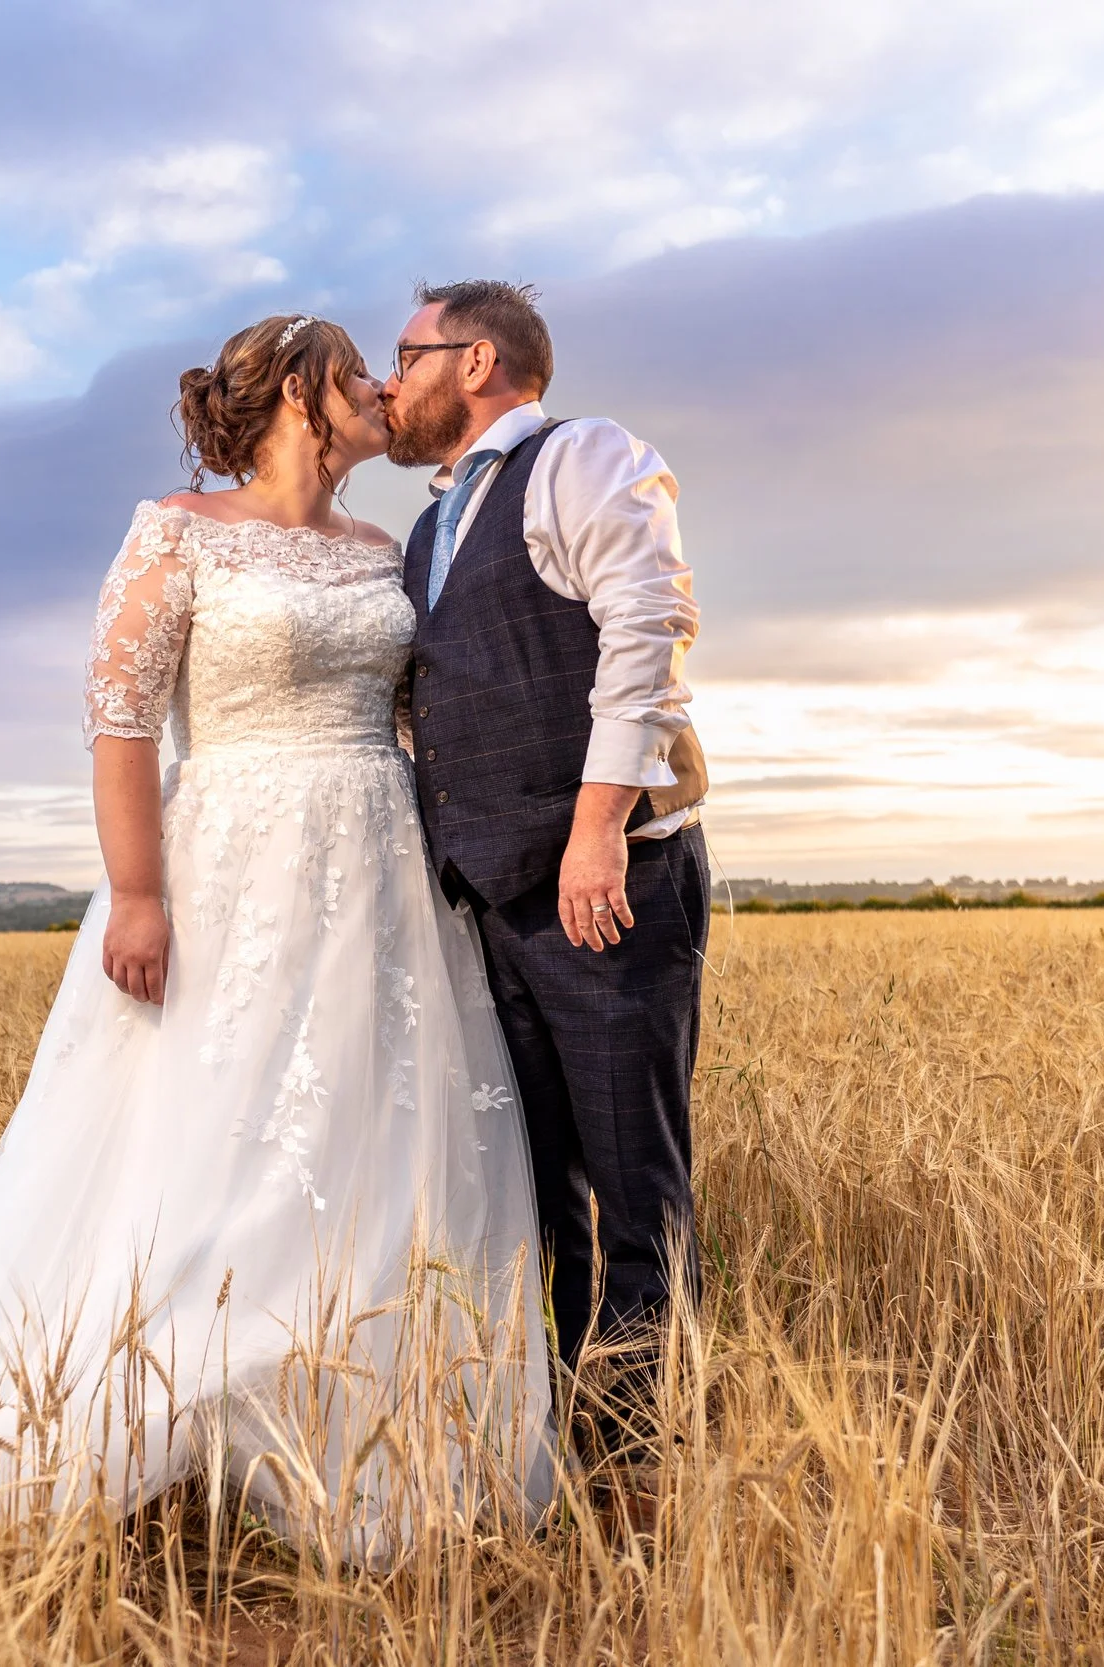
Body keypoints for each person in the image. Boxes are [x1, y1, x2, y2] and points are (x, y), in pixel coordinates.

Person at [0, 314, 554, 1557]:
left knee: (368, 1127)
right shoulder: (177, 532)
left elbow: (425, 714)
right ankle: (158, 1393)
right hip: (226, 864)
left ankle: (341, 1415)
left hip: (378, 868)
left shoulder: (385, 549)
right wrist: (137, 892)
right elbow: (121, 722)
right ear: (301, 389)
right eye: (356, 365)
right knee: (207, 1125)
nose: (379, 383)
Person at [381, 280, 709, 1465]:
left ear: (474, 363)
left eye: (405, 355)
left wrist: (593, 829)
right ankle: (557, 1445)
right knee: (538, 1198)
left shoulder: (584, 456)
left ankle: (636, 1462)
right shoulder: (428, 528)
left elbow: (647, 623)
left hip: (603, 887)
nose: (387, 381)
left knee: (632, 1191)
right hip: (493, 900)